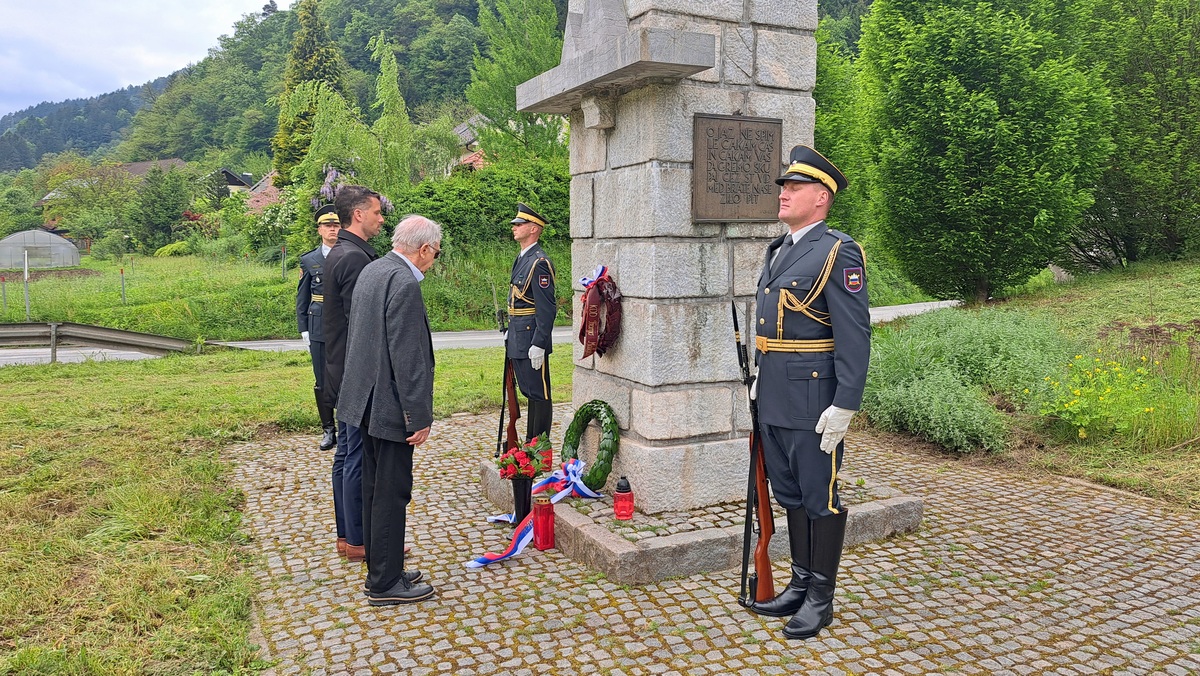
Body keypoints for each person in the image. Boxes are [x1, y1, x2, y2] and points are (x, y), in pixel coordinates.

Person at [748, 145, 870, 640]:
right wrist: (761, 374)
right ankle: (799, 583)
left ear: (821, 197)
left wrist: (845, 403)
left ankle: (821, 597)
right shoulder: (779, 249)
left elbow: (854, 334)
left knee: (821, 498)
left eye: (794, 187)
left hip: (814, 400)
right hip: (775, 395)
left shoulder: (839, 252)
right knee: (790, 494)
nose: (784, 193)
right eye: (783, 186)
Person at [337, 214, 442, 606]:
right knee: (391, 494)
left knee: (373, 488)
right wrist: (417, 417)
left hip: (363, 400)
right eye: (435, 253)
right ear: (425, 248)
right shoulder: (402, 282)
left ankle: (384, 569)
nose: (433, 261)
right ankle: (385, 585)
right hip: (388, 405)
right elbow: (408, 357)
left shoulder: (374, 269)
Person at [322, 185, 383, 563]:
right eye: (376, 212)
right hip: (356, 372)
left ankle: (348, 537)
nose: (381, 218)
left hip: (339, 367)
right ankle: (360, 540)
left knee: (345, 454)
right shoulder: (356, 259)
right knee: (357, 455)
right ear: (358, 214)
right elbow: (365, 324)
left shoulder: (340, 252)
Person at [505, 203, 557, 444]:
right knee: (527, 391)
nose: (514, 227)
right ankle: (529, 444)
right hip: (518, 335)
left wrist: (539, 342)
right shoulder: (522, 257)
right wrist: (510, 331)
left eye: (520, 224)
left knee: (540, 393)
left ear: (534, 229)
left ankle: (539, 448)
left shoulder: (540, 262)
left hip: (531, 337)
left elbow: (547, 309)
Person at [296, 204, 341, 452]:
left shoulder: (349, 254)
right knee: (322, 379)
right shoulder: (309, 259)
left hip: (344, 323)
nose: (332, 229)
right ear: (319, 230)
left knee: (345, 377)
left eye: (336, 225)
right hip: (319, 322)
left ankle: (345, 427)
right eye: (327, 226)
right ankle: (328, 429)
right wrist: (304, 327)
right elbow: (302, 297)